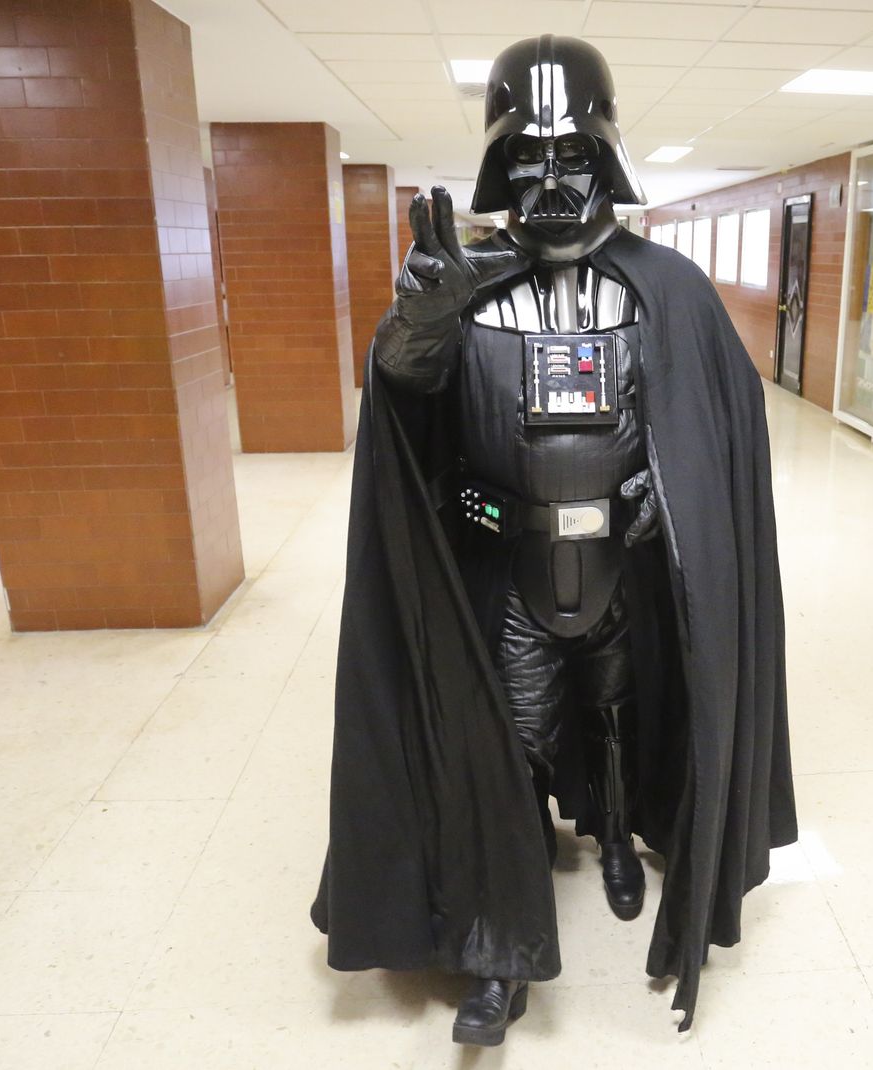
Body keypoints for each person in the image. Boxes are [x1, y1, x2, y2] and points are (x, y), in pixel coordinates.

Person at [309, 34, 797, 1047]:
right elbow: (404, 405)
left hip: (624, 563)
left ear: (608, 159)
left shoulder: (668, 288)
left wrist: (676, 495)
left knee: (617, 712)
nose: (552, 184)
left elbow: (718, 425)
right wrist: (417, 325)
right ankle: (499, 935)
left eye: (572, 161)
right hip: (501, 562)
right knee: (506, 731)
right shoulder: (465, 285)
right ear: (496, 171)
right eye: (527, 166)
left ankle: (617, 834)